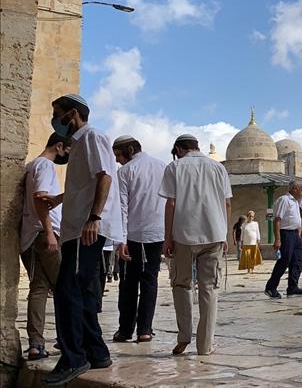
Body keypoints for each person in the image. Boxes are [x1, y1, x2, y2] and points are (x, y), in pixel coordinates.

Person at [39, 94, 126, 386]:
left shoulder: (92, 136)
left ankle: (73, 357)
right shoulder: (79, 144)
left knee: (67, 291)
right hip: (77, 226)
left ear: (73, 113)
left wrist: (94, 218)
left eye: (58, 114)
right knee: (82, 291)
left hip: (84, 228)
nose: (56, 120)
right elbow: (85, 184)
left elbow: (104, 177)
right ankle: (97, 352)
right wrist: (59, 199)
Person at [159, 134, 232, 357]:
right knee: (209, 288)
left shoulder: (175, 167)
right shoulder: (218, 168)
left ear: (179, 149)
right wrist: (224, 233)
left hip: (183, 235)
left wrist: (167, 237)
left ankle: (183, 338)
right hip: (213, 235)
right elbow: (227, 203)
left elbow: (170, 203)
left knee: (181, 285)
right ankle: (205, 345)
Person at [111, 135, 166, 343]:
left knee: (128, 284)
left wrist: (120, 240)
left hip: (134, 235)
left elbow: (122, 207)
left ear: (130, 150)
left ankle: (126, 330)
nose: (117, 160)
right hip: (157, 234)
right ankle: (145, 329)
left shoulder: (125, 172)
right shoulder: (162, 166)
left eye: (118, 155)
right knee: (150, 281)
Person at [20, 133, 70, 360]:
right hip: (44, 234)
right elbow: (41, 198)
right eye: (67, 150)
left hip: (30, 235)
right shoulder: (46, 166)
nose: (67, 155)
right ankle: (69, 339)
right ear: (59, 146)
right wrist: (50, 232)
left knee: (39, 289)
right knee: (65, 287)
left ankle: (36, 344)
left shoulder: (31, 166)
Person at [265, 182, 302, 298]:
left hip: (295, 234)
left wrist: (299, 233)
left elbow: (296, 219)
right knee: (284, 261)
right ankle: (271, 287)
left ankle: (293, 287)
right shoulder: (284, 200)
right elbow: (277, 220)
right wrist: (278, 239)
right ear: (294, 189)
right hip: (286, 234)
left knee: (297, 261)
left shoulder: (295, 202)